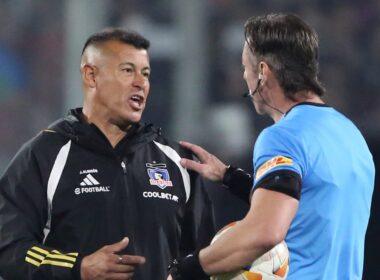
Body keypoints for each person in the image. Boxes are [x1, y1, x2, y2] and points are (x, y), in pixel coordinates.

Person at [167, 14, 375, 280]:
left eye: (245, 67)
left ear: (263, 72)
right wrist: (231, 177)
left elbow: (264, 232)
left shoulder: (282, 136)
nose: (244, 75)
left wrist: (184, 270)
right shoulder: (350, 133)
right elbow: (310, 204)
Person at [0, 28, 216, 279]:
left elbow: (205, 256)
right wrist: (79, 267)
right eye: (127, 70)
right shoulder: (44, 156)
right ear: (91, 75)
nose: (140, 82)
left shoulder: (178, 162)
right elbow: (8, 247)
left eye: (145, 73)